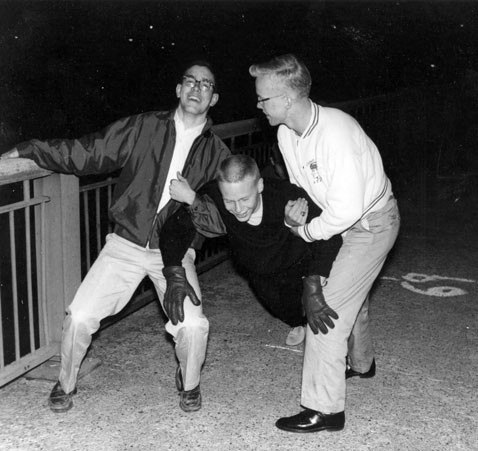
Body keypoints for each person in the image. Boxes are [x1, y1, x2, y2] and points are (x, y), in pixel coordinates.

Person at [0, 60, 230, 413]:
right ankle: (65, 383)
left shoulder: (217, 154)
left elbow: (220, 222)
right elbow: (88, 152)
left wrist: (192, 199)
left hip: (174, 254)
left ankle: (190, 382)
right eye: (190, 81)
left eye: (206, 84)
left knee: (195, 326)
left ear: (213, 99)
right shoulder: (144, 126)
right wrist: (31, 149)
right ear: (178, 89)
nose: (197, 88)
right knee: (79, 316)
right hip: (125, 243)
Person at [249, 54, 400, 433]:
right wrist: (298, 219)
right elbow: (306, 193)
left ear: (287, 99)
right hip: (340, 222)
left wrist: (305, 233)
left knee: (326, 310)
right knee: (350, 292)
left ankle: (325, 410)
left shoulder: (337, 133)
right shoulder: (286, 134)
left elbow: (346, 210)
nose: (258, 105)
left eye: (263, 98)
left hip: (371, 224)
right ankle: (362, 364)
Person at [160, 154, 342, 347]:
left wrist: (315, 280)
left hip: (297, 260)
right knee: (283, 309)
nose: (238, 208)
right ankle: (297, 322)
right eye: (229, 201)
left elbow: (330, 236)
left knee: (322, 317)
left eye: (245, 199)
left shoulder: (287, 195)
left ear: (260, 186)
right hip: (259, 270)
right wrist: (174, 272)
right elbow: (173, 229)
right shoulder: (213, 194)